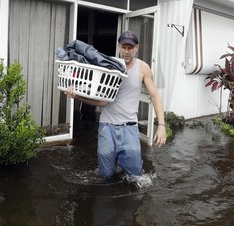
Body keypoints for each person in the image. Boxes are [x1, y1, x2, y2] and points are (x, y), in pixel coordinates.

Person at [66, 31, 167, 179]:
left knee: (136, 177)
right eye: (123, 47)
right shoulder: (110, 66)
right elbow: (103, 102)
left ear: (137, 47)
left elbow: (155, 96)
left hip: (130, 128)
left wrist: (162, 126)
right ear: (119, 46)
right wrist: (79, 97)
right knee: (106, 175)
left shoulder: (142, 68)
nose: (126, 51)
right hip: (107, 127)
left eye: (130, 48)